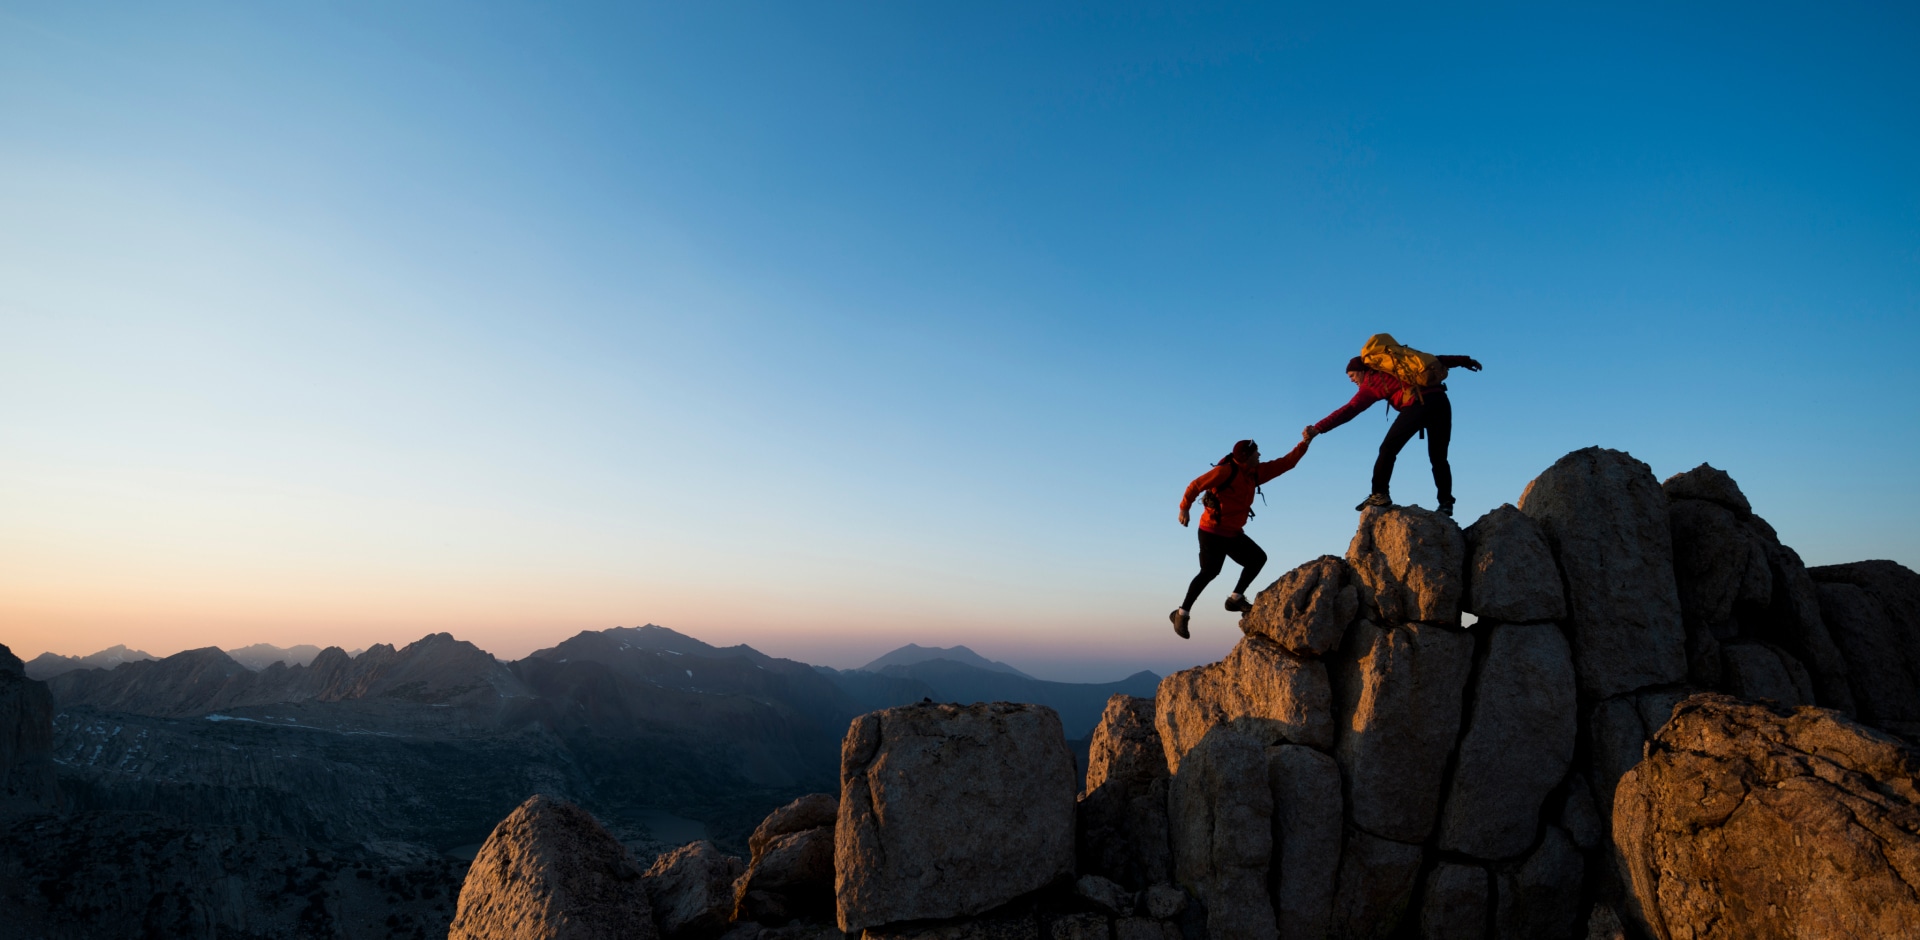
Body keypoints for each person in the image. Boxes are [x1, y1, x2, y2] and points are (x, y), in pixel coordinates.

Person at [1304, 350, 1483, 516]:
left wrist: (1318, 428)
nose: (1351, 380)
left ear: (1362, 371)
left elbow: (1350, 409)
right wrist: (1465, 361)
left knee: (1388, 449)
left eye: (1352, 375)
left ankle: (1379, 493)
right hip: (1441, 402)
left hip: (1417, 405)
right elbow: (1436, 360)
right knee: (1439, 457)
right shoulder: (1398, 366)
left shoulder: (1372, 382)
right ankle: (1446, 503)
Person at [1170, 432, 1313, 639]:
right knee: (1210, 572)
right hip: (1211, 531)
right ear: (1246, 456)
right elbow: (1195, 485)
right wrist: (1184, 508)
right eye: (1257, 452)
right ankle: (1181, 614)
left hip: (1232, 533)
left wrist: (1305, 443)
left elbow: (1286, 463)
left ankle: (1235, 599)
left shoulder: (1254, 472)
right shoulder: (1225, 471)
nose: (1260, 455)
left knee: (1257, 559)